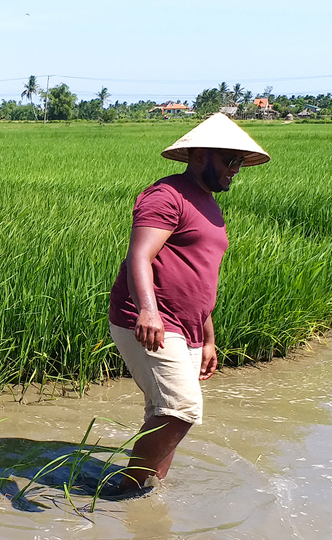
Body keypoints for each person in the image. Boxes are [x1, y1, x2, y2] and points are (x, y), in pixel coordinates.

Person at [107, 113, 269, 494]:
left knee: (162, 412)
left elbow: (199, 276)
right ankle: (122, 492)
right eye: (229, 160)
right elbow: (139, 257)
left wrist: (208, 337)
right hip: (149, 319)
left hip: (189, 328)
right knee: (182, 409)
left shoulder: (210, 204)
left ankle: (147, 495)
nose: (236, 170)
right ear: (199, 155)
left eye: (240, 162)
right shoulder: (167, 195)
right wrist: (148, 310)